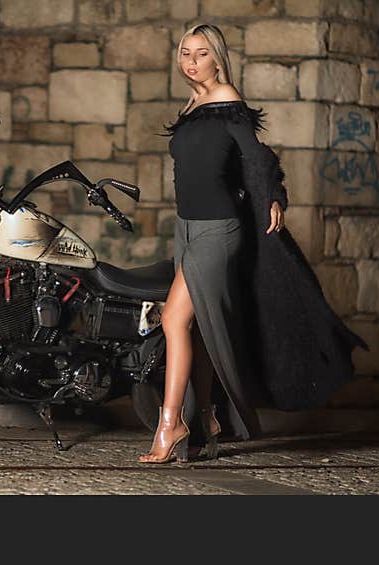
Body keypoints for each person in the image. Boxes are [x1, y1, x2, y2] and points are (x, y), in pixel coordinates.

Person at [137, 23, 285, 463]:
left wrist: (274, 195)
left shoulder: (226, 99)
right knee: (195, 328)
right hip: (186, 227)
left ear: (218, 58)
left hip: (219, 229)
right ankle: (205, 418)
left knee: (171, 319)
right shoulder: (195, 104)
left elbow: (256, 158)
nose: (191, 61)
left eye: (200, 54)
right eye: (185, 53)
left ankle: (171, 424)